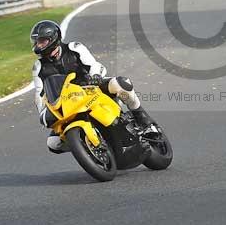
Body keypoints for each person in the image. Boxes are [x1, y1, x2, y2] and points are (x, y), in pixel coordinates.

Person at [30, 20, 156, 154]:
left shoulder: (74, 48)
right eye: (37, 42)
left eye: (42, 41)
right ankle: (84, 147)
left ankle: (143, 119)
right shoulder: (38, 66)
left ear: (53, 39)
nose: (38, 45)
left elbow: (94, 65)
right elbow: (39, 94)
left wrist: (95, 76)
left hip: (91, 87)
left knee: (121, 84)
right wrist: (43, 113)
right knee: (53, 143)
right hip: (67, 102)